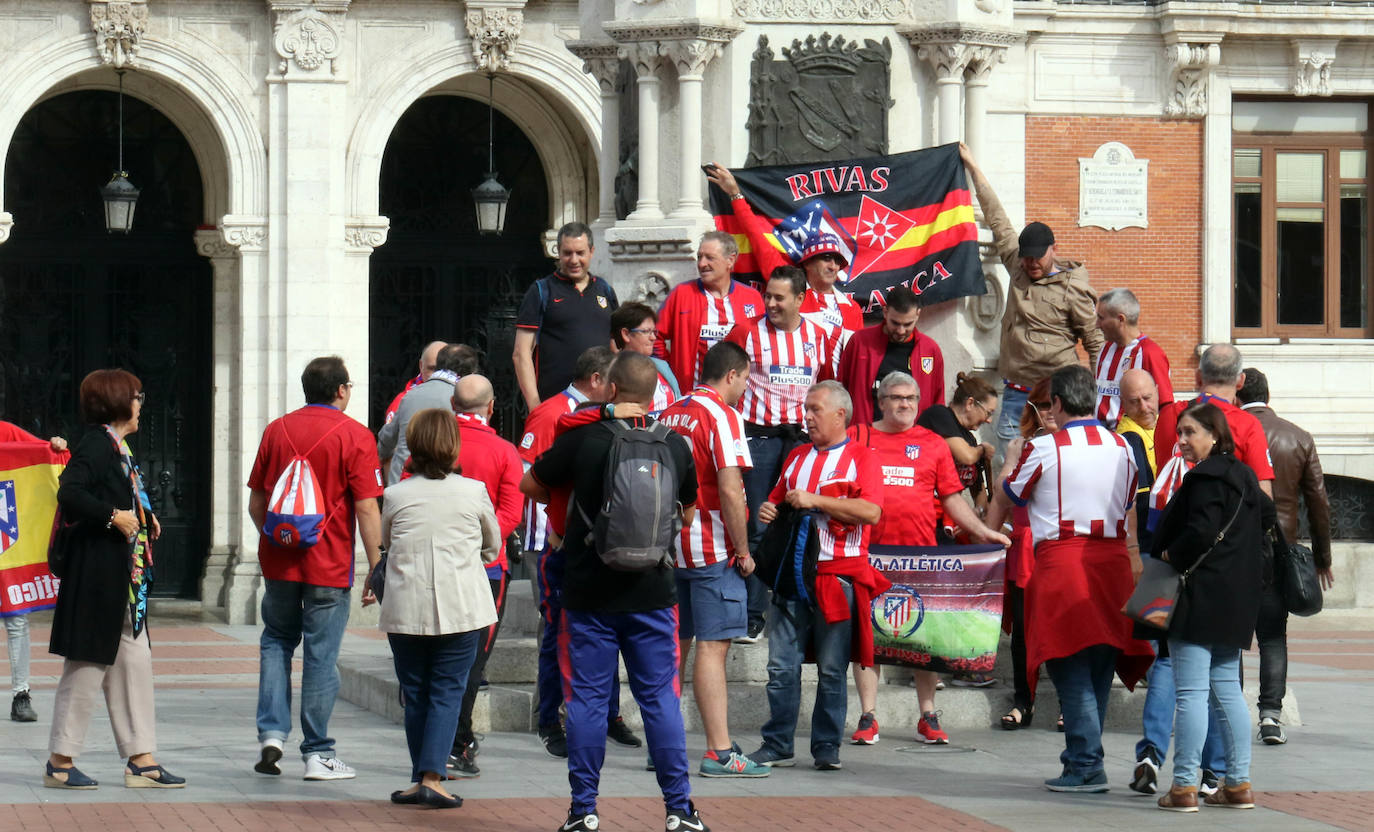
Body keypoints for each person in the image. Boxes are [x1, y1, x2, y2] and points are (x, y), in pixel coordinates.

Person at [521, 352, 705, 832]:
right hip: (654, 591)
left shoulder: (584, 437)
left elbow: (529, 483)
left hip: (588, 592)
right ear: (653, 393)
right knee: (660, 700)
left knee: (585, 700)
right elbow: (686, 516)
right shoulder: (675, 444)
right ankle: (679, 810)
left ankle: (584, 810)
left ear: (611, 389)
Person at [987, 365, 1153, 793]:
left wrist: (1004, 468)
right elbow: (1130, 501)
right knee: (1098, 662)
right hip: (1112, 562)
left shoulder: (1045, 448)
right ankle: (1083, 759)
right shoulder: (1121, 445)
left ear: (1058, 404)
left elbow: (1012, 494)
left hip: (1064, 562)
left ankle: (1085, 764)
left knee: (1067, 662)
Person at [848, 373, 1009, 747]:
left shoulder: (934, 444)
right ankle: (868, 715)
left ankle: (928, 715)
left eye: (910, 398)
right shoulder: (858, 437)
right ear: (881, 401)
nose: (904, 404)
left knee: (925, 640)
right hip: (870, 554)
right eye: (896, 398)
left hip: (922, 557)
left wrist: (983, 531)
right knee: (867, 639)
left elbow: (952, 498)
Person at [46, 369, 184, 789]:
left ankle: (141, 759)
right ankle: (60, 762)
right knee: (87, 664)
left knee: (134, 662)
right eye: (137, 396)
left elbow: (115, 494)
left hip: (122, 579)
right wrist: (113, 516)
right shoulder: (96, 443)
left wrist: (144, 516)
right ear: (118, 400)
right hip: (97, 578)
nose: (141, 403)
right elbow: (69, 492)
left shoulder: (116, 446)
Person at [248, 356, 384, 781]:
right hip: (329, 564)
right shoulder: (356, 436)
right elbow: (366, 508)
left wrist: (275, 539)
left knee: (276, 642)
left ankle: (271, 734)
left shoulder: (276, 430)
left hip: (279, 562)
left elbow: (256, 502)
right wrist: (376, 565)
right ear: (341, 390)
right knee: (321, 656)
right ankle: (318, 752)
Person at [751, 381, 888, 772]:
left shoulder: (862, 458)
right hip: (792, 578)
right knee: (780, 666)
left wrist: (817, 501)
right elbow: (776, 500)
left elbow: (872, 512)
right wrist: (768, 510)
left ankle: (827, 746)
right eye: (805, 409)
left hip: (837, 577)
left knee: (832, 669)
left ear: (840, 415)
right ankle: (777, 743)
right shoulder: (796, 457)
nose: (806, 416)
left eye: (814, 409)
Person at [516, 346, 641, 758]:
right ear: (600, 381)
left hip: (614, 550)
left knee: (605, 638)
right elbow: (529, 476)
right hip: (564, 545)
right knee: (557, 638)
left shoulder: (635, 425)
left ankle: (608, 715)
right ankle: (550, 719)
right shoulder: (559, 415)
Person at [1152, 403, 1272, 812]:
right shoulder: (1246, 477)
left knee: (1190, 693)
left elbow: (1200, 531)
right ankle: (1238, 784)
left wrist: (1170, 554)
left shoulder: (1203, 477)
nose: (1181, 441)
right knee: (1227, 690)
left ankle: (1184, 786)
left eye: (1189, 433)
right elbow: (1269, 518)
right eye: (1179, 433)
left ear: (1214, 435)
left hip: (1198, 597)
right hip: (1237, 600)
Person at [378, 409, 500, 809]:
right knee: (448, 689)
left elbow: (387, 542)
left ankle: (420, 776)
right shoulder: (473, 490)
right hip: (461, 604)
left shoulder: (396, 493)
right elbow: (492, 545)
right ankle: (432, 776)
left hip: (406, 606)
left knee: (415, 692)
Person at [658, 341, 768, 778]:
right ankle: (720, 751)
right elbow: (729, 488)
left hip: (672, 546)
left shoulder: (671, 412)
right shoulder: (722, 415)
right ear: (733, 375)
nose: (744, 387)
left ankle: (662, 745)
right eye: (744, 379)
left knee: (674, 649)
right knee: (712, 648)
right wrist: (743, 550)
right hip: (711, 547)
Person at [958, 144, 1103, 455]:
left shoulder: (1073, 286)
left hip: (1057, 395)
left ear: (1052, 250)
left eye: (1037, 258)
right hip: (1016, 390)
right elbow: (998, 220)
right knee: (1010, 457)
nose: (1031, 264)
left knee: (1061, 456)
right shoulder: (1018, 266)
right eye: (1026, 259)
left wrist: (1096, 395)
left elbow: (1093, 341)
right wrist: (973, 167)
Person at [727, 266, 839, 643]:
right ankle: (754, 613)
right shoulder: (745, 332)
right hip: (758, 439)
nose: (771, 303)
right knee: (759, 524)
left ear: (800, 298)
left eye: (779, 297)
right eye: (768, 296)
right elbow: (723, 381)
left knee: (805, 524)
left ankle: (803, 609)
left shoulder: (819, 336)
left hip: (803, 442)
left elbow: (825, 386)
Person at [1238, 367, 1333, 746]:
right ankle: (1270, 716)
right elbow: (1319, 503)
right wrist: (1322, 556)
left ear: (1237, 395)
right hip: (1281, 548)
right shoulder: (1298, 437)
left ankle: (1230, 711)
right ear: (1269, 396)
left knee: (1233, 636)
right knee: (1274, 635)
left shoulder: (1230, 430)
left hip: (1238, 548)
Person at [447, 374, 525, 777]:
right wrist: (480, 541)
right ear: (492, 407)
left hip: (438, 563)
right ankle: (457, 743)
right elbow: (512, 510)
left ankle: (447, 739)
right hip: (486, 568)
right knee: (472, 661)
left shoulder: (433, 444)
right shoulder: (503, 450)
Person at [706, 163, 864, 342]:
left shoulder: (852, 308)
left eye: (837, 261)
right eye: (827, 258)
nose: (833, 266)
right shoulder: (788, 286)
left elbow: (856, 356)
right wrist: (735, 194)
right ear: (808, 263)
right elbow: (756, 236)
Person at [999, 377, 1056, 731]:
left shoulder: (1075, 444)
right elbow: (1003, 500)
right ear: (1033, 408)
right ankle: (1024, 699)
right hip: (1023, 543)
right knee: (1022, 629)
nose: (1051, 411)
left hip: (1055, 543)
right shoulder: (1021, 445)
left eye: (1056, 403)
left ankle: (1069, 702)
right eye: (1045, 404)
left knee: (1061, 624)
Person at [1, 421, 67, 723]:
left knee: (16, 620)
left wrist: (55, 443)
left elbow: (45, 452)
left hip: (9, 549)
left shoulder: (6, 431)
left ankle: (21, 694)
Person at [514, 222, 620, 409]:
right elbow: (521, 353)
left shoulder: (605, 290)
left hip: (601, 406)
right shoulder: (541, 291)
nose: (573, 260)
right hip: (555, 405)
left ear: (592, 251)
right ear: (558, 252)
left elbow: (616, 347)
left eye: (580, 253)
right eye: (567, 253)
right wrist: (534, 405)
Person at [1154, 344, 1274, 497]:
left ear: (1198, 377)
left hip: (1171, 515)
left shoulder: (1169, 414)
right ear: (1240, 381)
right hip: (1221, 517)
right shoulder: (1248, 424)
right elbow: (1263, 492)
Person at [655, 231, 765, 390]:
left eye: (709, 257)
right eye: (699, 257)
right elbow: (653, 336)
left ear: (730, 260)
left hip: (738, 402)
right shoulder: (681, 294)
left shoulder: (752, 298)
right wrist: (668, 376)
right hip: (690, 397)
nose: (701, 263)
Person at [835, 285, 945, 427]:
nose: (901, 330)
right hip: (865, 437)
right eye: (895, 323)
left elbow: (938, 401)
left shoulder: (930, 350)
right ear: (885, 312)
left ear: (918, 314)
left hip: (913, 442)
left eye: (907, 324)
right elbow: (841, 390)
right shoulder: (860, 342)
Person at [378, 343, 476, 484]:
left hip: (403, 483)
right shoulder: (464, 399)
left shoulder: (409, 396)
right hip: (444, 483)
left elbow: (386, 440)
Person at [916, 373, 998, 534]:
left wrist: (976, 513)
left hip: (948, 519)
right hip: (923, 514)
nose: (989, 420)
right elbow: (966, 457)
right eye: (988, 413)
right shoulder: (939, 415)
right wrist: (982, 449)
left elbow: (979, 491)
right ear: (970, 403)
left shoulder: (971, 440)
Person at [1093, 288, 1173, 428]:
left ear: (1120, 319)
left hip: (1130, 439)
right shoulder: (1105, 349)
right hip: (1101, 435)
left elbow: (1166, 407)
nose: (1097, 325)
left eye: (1101, 318)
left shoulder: (1150, 353)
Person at [610, 302, 680, 415]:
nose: (653, 338)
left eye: (654, 332)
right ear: (626, 334)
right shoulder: (610, 371)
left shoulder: (662, 367)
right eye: (646, 332)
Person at [383, 340, 447, 426]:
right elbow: (390, 437)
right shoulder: (402, 402)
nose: (437, 375)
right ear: (421, 366)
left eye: (444, 369)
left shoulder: (463, 399)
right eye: (432, 369)